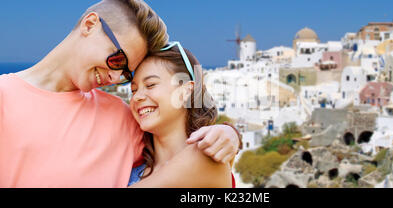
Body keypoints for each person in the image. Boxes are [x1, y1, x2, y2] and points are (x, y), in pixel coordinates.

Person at [0, 0, 241, 188]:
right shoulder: (5, 97)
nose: (115, 78)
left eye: (125, 73)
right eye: (118, 59)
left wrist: (229, 134)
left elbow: (178, 138)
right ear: (90, 25)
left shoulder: (122, 116)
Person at [129, 42, 234, 188]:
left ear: (186, 92)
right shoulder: (131, 170)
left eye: (151, 84)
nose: (136, 97)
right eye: (133, 90)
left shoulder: (204, 156)